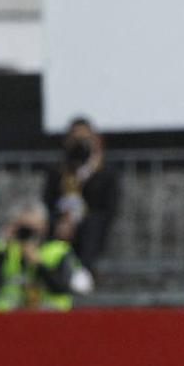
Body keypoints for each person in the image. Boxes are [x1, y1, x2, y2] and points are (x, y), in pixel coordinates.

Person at [0, 200, 93, 311]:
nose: (27, 234)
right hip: (10, 319)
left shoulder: (58, 250)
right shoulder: (4, 249)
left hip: (50, 318)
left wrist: (39, 264)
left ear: (43, 226)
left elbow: (62, 288)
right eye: (22, 228)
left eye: (31, 229)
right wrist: (2, 250)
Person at [42, 117, 119, 277]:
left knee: (92, 227)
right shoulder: (58, 170)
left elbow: (107, 205)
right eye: (75, 139)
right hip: (62, 221)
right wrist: (63, 220)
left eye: (84, 138)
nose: (79, 144)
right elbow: (48, 200)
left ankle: (83, 273)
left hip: (90, 223)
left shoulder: (103, 171)